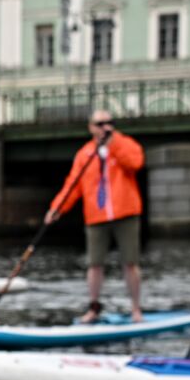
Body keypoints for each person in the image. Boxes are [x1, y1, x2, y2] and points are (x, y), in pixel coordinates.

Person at [44, 109, 146, 323]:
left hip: (125, 211)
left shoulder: (125, 144)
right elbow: (73, 185)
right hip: (96, 215)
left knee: (130, 262)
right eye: (100, 124)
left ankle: (136, 309)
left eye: (109, 123)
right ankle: (94, 307)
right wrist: (57, 208)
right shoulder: (84, 154)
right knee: (95, 264)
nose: (105, 127)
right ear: (91, 127)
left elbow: (135, 163)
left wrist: (113, 145)